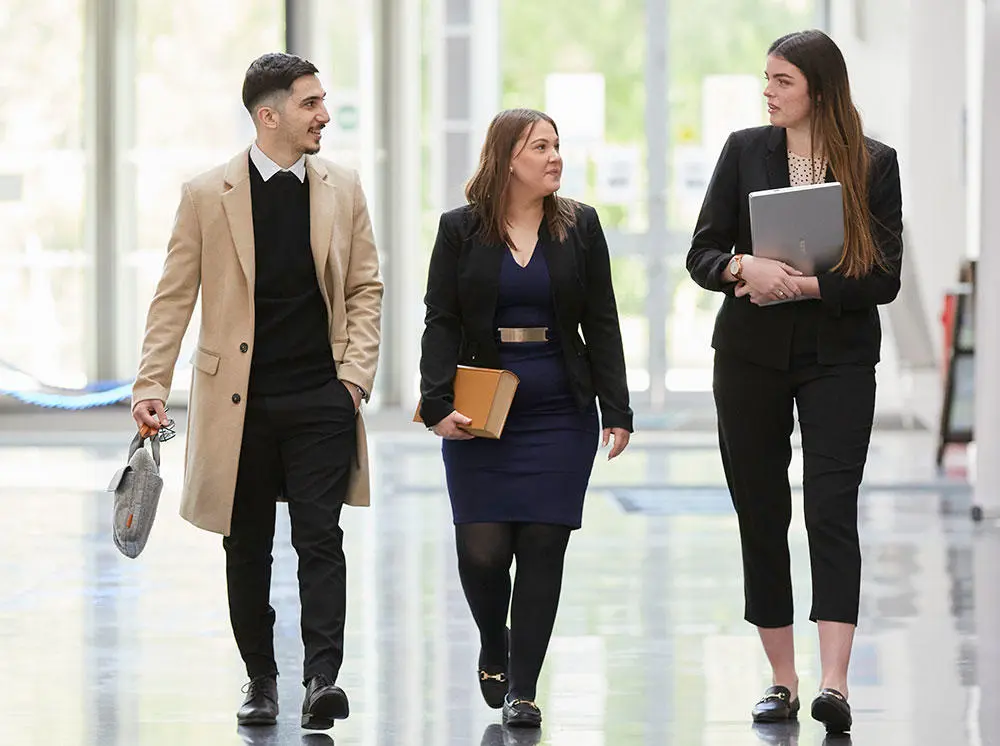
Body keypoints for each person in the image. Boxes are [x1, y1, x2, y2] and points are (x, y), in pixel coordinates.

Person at [131, 52, 383, 731]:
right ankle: (262, 681)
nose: (323, 115)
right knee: (245, 545)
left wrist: (354, 379)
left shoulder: (343, 187)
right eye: (310, 104)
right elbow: (173, 296)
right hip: (235, 406)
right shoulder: (207, 194)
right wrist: (150, 382)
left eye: (323, 102)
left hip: (320, 401)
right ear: (268, 116)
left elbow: (364, 288)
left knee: (320, 539)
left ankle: (322, 679)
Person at [686, 29, 902, 735]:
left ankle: (835, 683)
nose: (768, 91)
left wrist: (810, 284)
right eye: (767, 79)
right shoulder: (744, 151)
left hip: (838, 356)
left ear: (818, 87)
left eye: (782, 80)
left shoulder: (874, 164)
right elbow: (702, 253)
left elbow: (885, 276)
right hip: (749, 356)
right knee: (761, 509)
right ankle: (782, 679)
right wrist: (744, 268)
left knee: (831, 510)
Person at [418, 108, 633, 728]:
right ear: (508, 158)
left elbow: (604, 319)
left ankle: (524, 688)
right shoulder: (460, 230)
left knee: (543, 545)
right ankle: (494, 639)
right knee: (483, 553)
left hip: (561, 410)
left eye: (558, 145)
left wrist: (616, 409)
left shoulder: (579, 226)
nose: (555, 156)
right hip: (483, 406)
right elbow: (442, 319)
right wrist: (435, 402)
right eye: (542, 146)